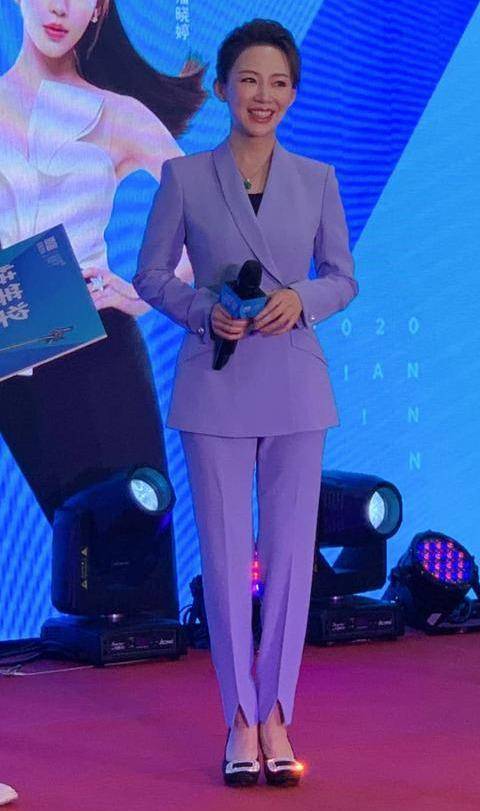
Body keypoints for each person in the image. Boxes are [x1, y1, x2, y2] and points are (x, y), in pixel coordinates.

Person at [134, 18, 358, 787]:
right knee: (228, 560)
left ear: (293, 93)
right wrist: (203, 310)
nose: (264, 95)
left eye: (279, 82)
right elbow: (150, 274)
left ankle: (276, 713)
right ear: (225, 87)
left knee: (290, 559)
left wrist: (301, 298)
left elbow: (342, 276)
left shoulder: (317, 178)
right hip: (217, 381)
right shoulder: (185, 177)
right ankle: (237, 715)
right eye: (250, 80)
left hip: (295, 383)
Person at [0, 0, 204, 526]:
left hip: (96, 348)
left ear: (99, 9)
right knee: (77, 549)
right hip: (11, 355)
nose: (59, 7)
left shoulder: (117, 114)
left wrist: (141, 294)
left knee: (137, 536)